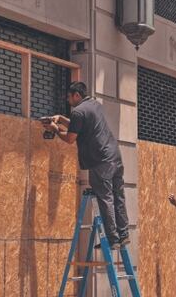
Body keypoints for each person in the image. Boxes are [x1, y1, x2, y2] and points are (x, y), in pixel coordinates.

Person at [44, 82, 129, 249]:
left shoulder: (78, 112)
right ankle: (124, 234)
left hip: (100, 161)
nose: (68, 101)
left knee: (105, 198)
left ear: (77, 95)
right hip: (115, 157)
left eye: (69, 97)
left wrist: (55, 129)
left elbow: (70, 138)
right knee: (118, 195)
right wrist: (61, 119)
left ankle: (113, 239)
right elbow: (80, 125)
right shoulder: (95, 105)